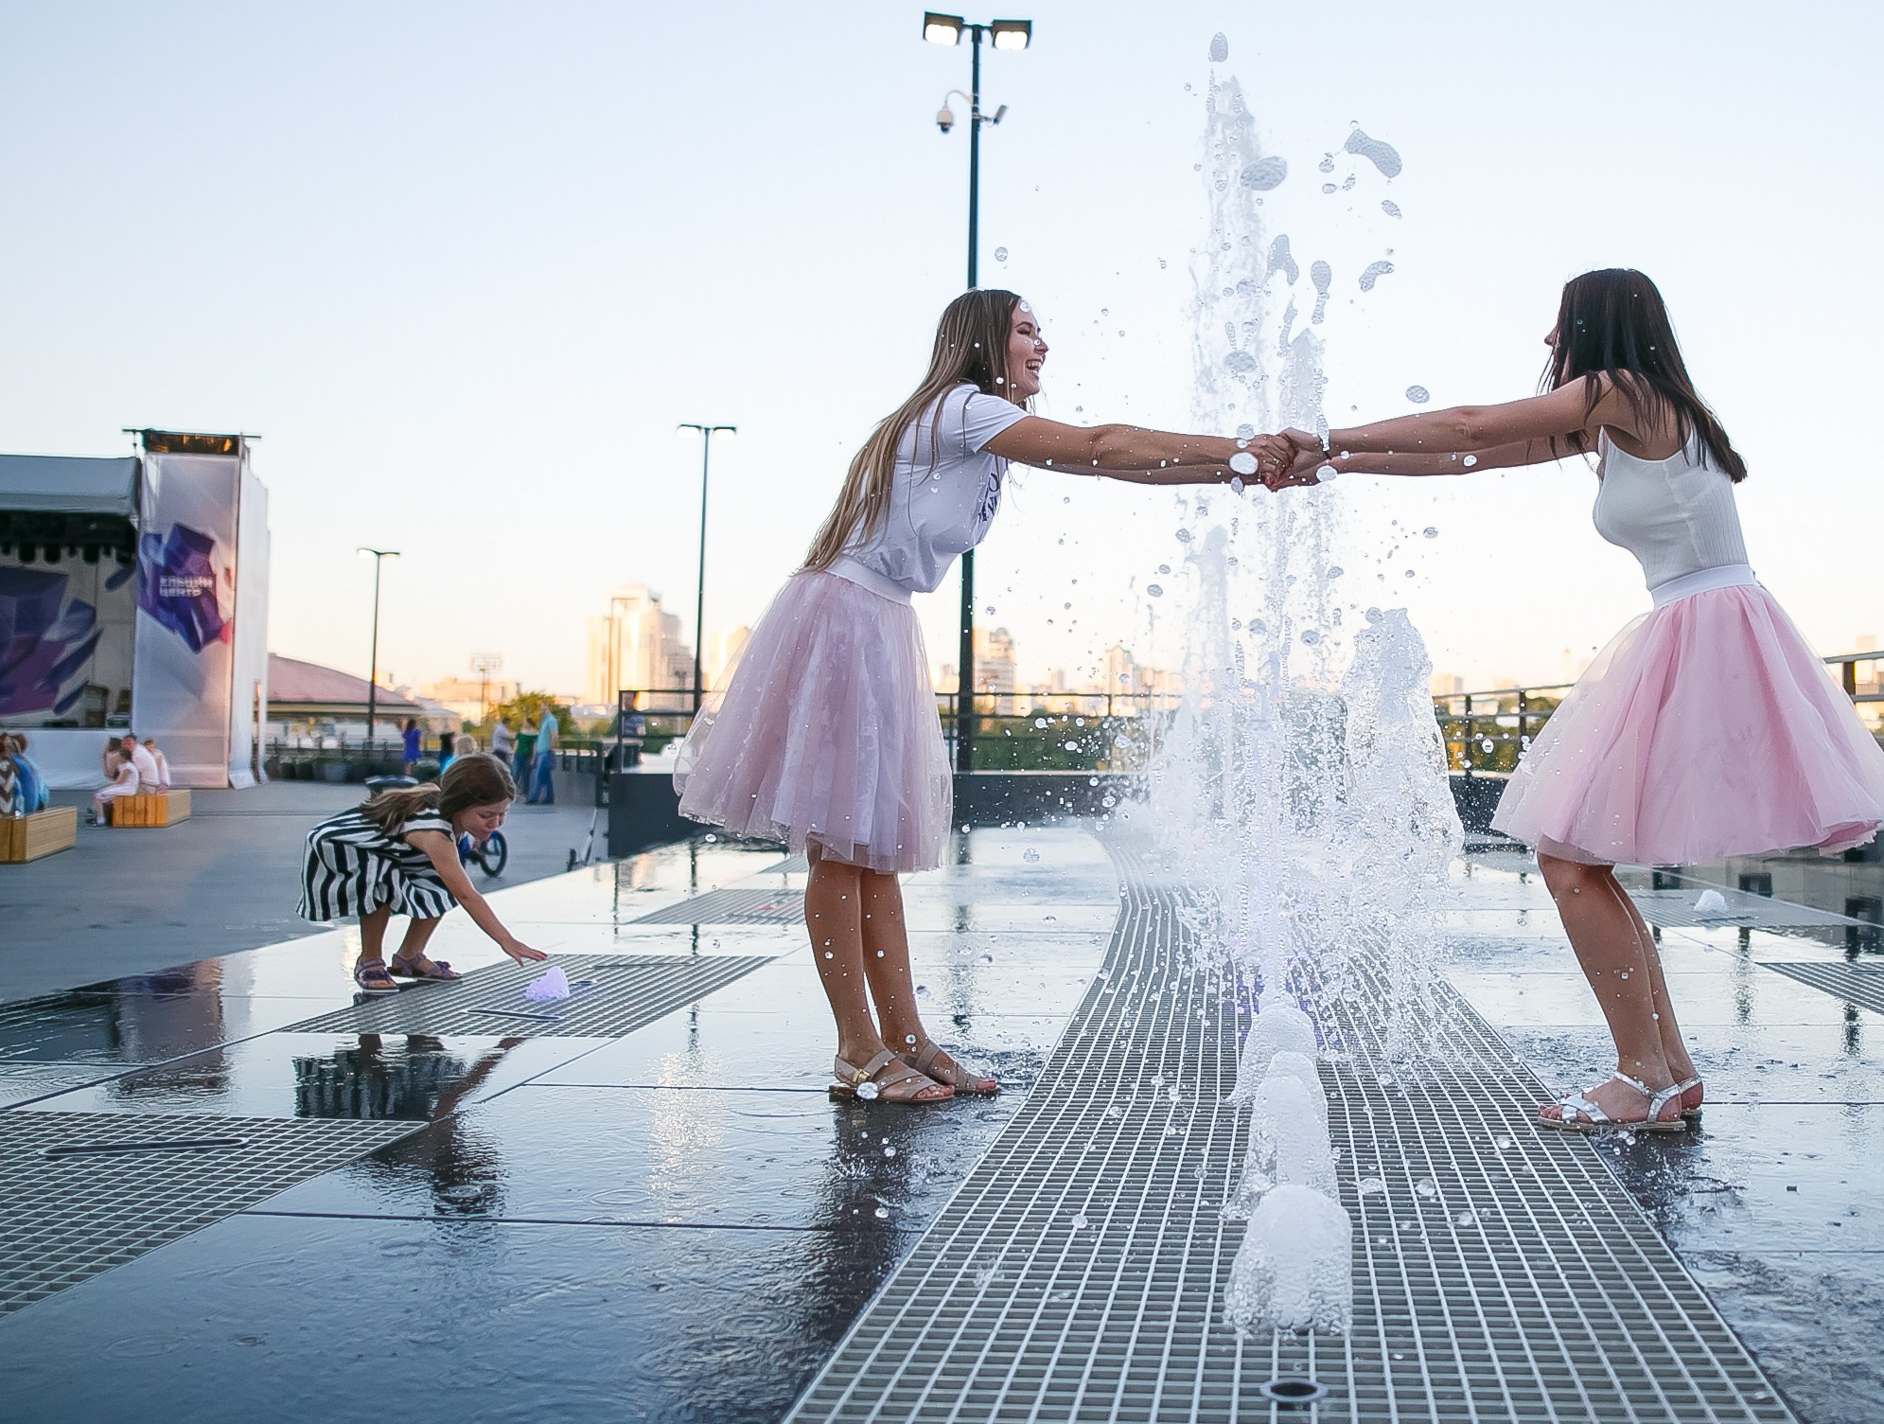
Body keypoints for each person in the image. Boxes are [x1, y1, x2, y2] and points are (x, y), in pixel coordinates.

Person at [1282, 267, 1884, 1133]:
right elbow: (1473, 455)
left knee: (1569, 859)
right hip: (1694, 624)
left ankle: (1642, 1075)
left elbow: (1470, 421)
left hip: (1704, 630)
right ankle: (1668, 1074)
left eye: (1558, 326)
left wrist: (1325, 430)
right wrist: (1338, 459)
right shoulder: (1628, 417)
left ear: (1598, 325)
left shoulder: (1624, 391)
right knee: (1580, 860)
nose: (1549, 343)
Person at [675, 287, 1293, 1105]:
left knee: (872, 849)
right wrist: (1242, 450)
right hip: (847, 615)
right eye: (1027, 330)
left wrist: (1238, 470)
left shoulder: (970, 425)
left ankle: (905, 1039)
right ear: (981, 342)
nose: (1043, 345)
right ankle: (857, 1050)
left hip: (877, 615)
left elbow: (1109, 458)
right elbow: (1103, 445)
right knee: (840, 843)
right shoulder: (962, 409)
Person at [298, 752, 549, 992]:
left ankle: (409, 957)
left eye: (502, 813)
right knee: (381, 879)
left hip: (390, 847)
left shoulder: (447, 816)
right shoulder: (435, 833)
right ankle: (369, 960)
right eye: (486, 815)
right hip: (342, 845)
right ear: (458, 806)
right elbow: (466, 894)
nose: (495, 823)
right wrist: (506, 940)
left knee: (441, 880)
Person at [90, 736, 143, 822]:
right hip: (125, 787)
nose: (117, 758)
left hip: (127, 789)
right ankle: (99, 815)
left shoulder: (128, 767)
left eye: (119, 756)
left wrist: (105, 784)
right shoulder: (125, 765)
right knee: (101, 793)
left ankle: (101, 819)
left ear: (123, 757)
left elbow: (119, 781)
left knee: (98, 796)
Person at [5, 735, 47, 814]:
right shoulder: (28, 760)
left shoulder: (10, 761)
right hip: (36, 805)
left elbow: (15, 786)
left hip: (23, 808)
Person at [529, 705, 559, 804]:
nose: (541, 711)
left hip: (545, 752)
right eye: (541, 709)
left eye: (543, 709)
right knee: (546, 777)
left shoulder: (551, 720)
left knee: (538, 775)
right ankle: (549, 798)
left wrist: (550, 748)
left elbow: (554, 735)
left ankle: (534, 798)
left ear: (548, 709)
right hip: (540, 751)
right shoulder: (544, 721)